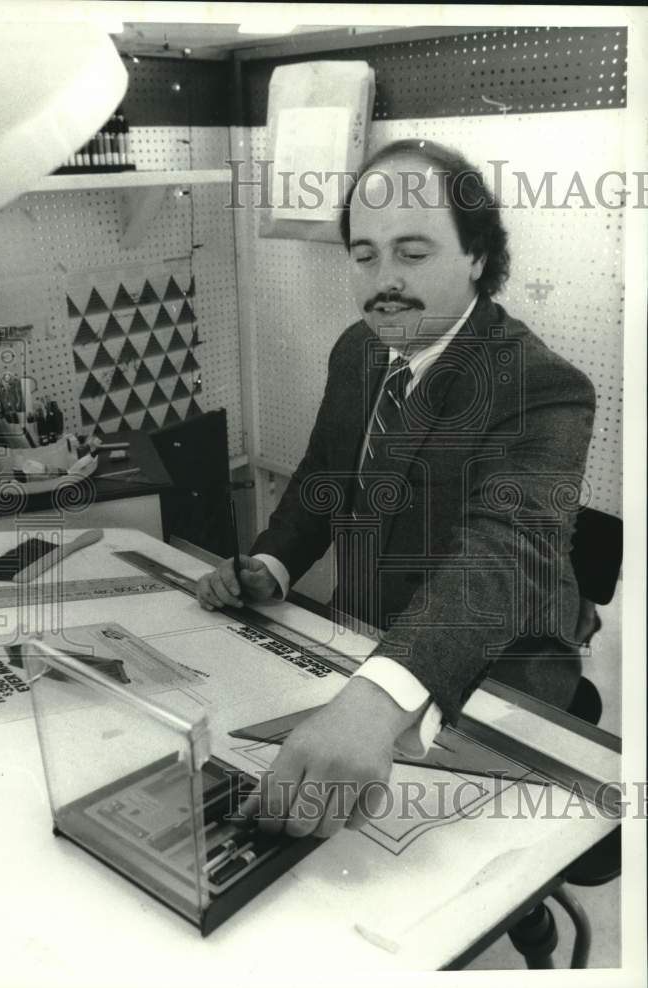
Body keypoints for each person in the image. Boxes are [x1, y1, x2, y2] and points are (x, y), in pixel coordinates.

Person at [197, 138, 596, 839]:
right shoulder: (358, 348)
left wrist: (378, 700)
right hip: (365, 644)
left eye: (413, 254)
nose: (385, 279)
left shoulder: (543, 385)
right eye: (364, 254)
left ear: (477, 256)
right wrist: (272, 564)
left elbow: (504, 554)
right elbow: (323, 479)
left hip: (499, 674)